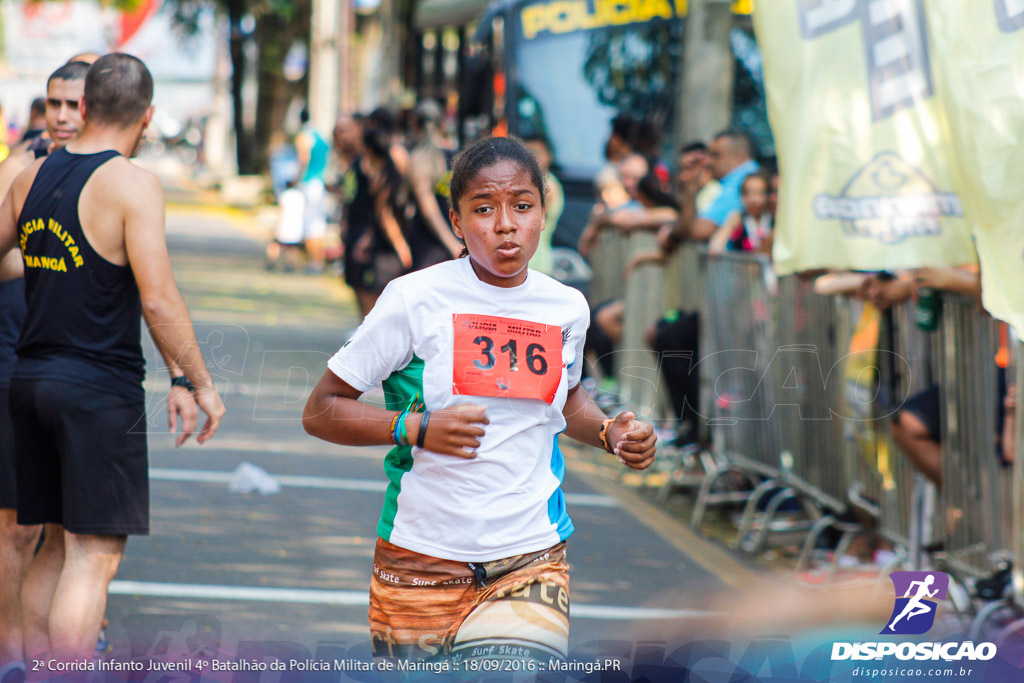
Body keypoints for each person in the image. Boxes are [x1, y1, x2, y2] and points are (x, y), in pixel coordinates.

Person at [303, 136, 656, 665]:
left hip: (531, 555)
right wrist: (414, 429)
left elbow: (567, 397)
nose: (506, 224)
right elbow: (322, 409)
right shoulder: (413, 299)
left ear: (543, 210)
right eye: (484, 209)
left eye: (522, 205)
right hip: (421, 558)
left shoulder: (566, 307)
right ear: (456, 222)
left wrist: (610, 433)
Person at [0, 53, 225, 663]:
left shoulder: (29, 177)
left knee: (52, 548)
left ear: (87, 106)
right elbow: (158, 297)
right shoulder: (131, 183)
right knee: (94, 554)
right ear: (147, 117)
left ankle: (32, 671)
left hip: (30, 381)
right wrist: (195, 380)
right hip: (96, 391)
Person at [0, 59, 90, 678]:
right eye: (53, 104)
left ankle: (59, 644)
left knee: (75, 535)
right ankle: (11, 655)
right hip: (15, 364)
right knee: (15, 529)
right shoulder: (21, 172)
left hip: (84, 376)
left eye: (75, 104)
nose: (61, 117)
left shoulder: (119, 175)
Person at [406, 100, 461, 269]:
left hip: (429, 243)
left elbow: (428, 209)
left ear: (414, 124)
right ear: (442, 124)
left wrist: (452, 244)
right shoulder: (457, 156)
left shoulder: (418, 158)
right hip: (453, 238)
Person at [295, 107, 330, 273]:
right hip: (320, 182)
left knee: (309, 223)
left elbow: (303, 159)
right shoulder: (319, 134)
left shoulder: (304, 136)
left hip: (308, 183)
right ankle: (319, 261)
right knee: (318, 223)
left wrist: (296, 180)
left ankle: (314, 262)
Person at [523, 134, 563, 276]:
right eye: (526, 153)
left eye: (536, 153)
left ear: (548, 156)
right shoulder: (532, 183)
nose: (532, 158)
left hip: (537, 263)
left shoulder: (549, 185)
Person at [709, 170, 774, 255]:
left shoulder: (773, 219)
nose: (753, 199)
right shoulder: (737, 218)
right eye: (747, 193)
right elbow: (716, 245)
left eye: (759, 193)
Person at [265, 179, 305, 272]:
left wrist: (276, 224)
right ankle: (290, 264)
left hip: (284, 224)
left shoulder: (285, 195)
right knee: (292, 247)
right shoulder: (301, 196)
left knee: (275, 243)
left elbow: (281, 210)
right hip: (296, 225)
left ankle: (271, 261)